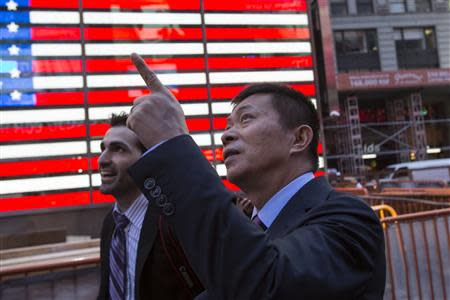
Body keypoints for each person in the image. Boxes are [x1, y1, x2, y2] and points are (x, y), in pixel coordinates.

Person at [126, 53, 386, 299]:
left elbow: (266, 285)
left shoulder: (350, 219)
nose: (226, 135)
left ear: (299, 138)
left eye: (246, 119)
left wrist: (173, 147)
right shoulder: (243, 223)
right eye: (228, 126)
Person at [97, 113, 203, 300]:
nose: (102, 160)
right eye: (103, 148)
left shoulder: (175, 222)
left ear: (148, 160)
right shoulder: (110, 223)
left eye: (119, 149)